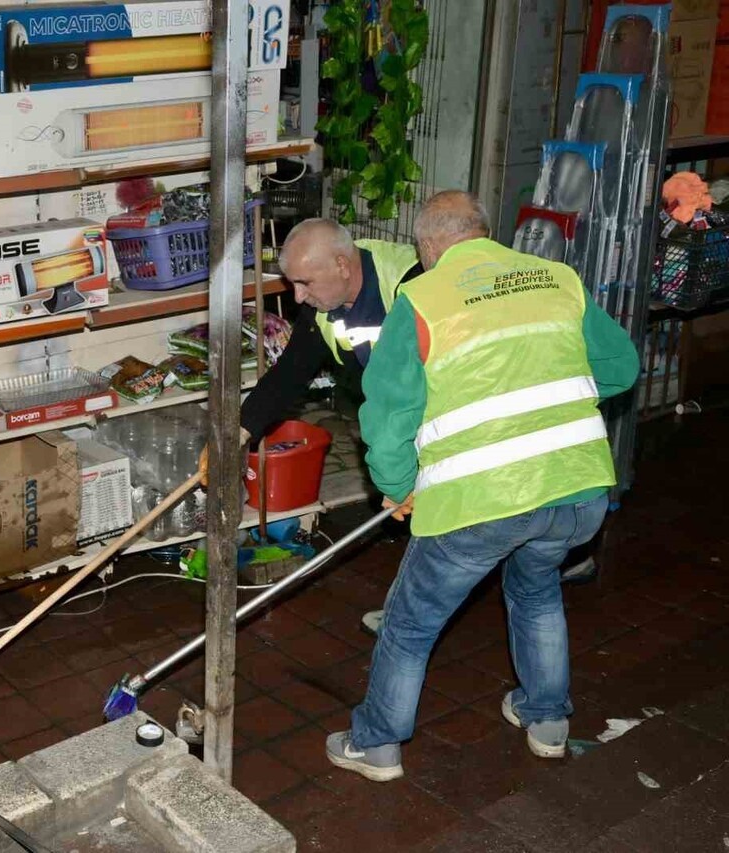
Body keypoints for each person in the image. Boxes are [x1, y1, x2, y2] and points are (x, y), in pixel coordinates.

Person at [324, 191, 639, 782]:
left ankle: (378, 744)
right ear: (484, 232)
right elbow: (620, 365)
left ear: (427, 247)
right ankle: (546, 721)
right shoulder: (558, 278)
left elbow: (388, 412)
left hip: (480, 504)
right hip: (578, 495)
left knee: (409, 622)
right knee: (538, 589)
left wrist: (396, 487)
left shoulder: (422, 298)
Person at [200, 218, 421, 477]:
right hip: (392, 426)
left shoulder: (413, 285)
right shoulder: (321, 306)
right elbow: (290, 372)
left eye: (305, 283)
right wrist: (232, 436)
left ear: (342, 266)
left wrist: (407, 472)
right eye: (293, 283)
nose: (298, 297)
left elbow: (424, 388)